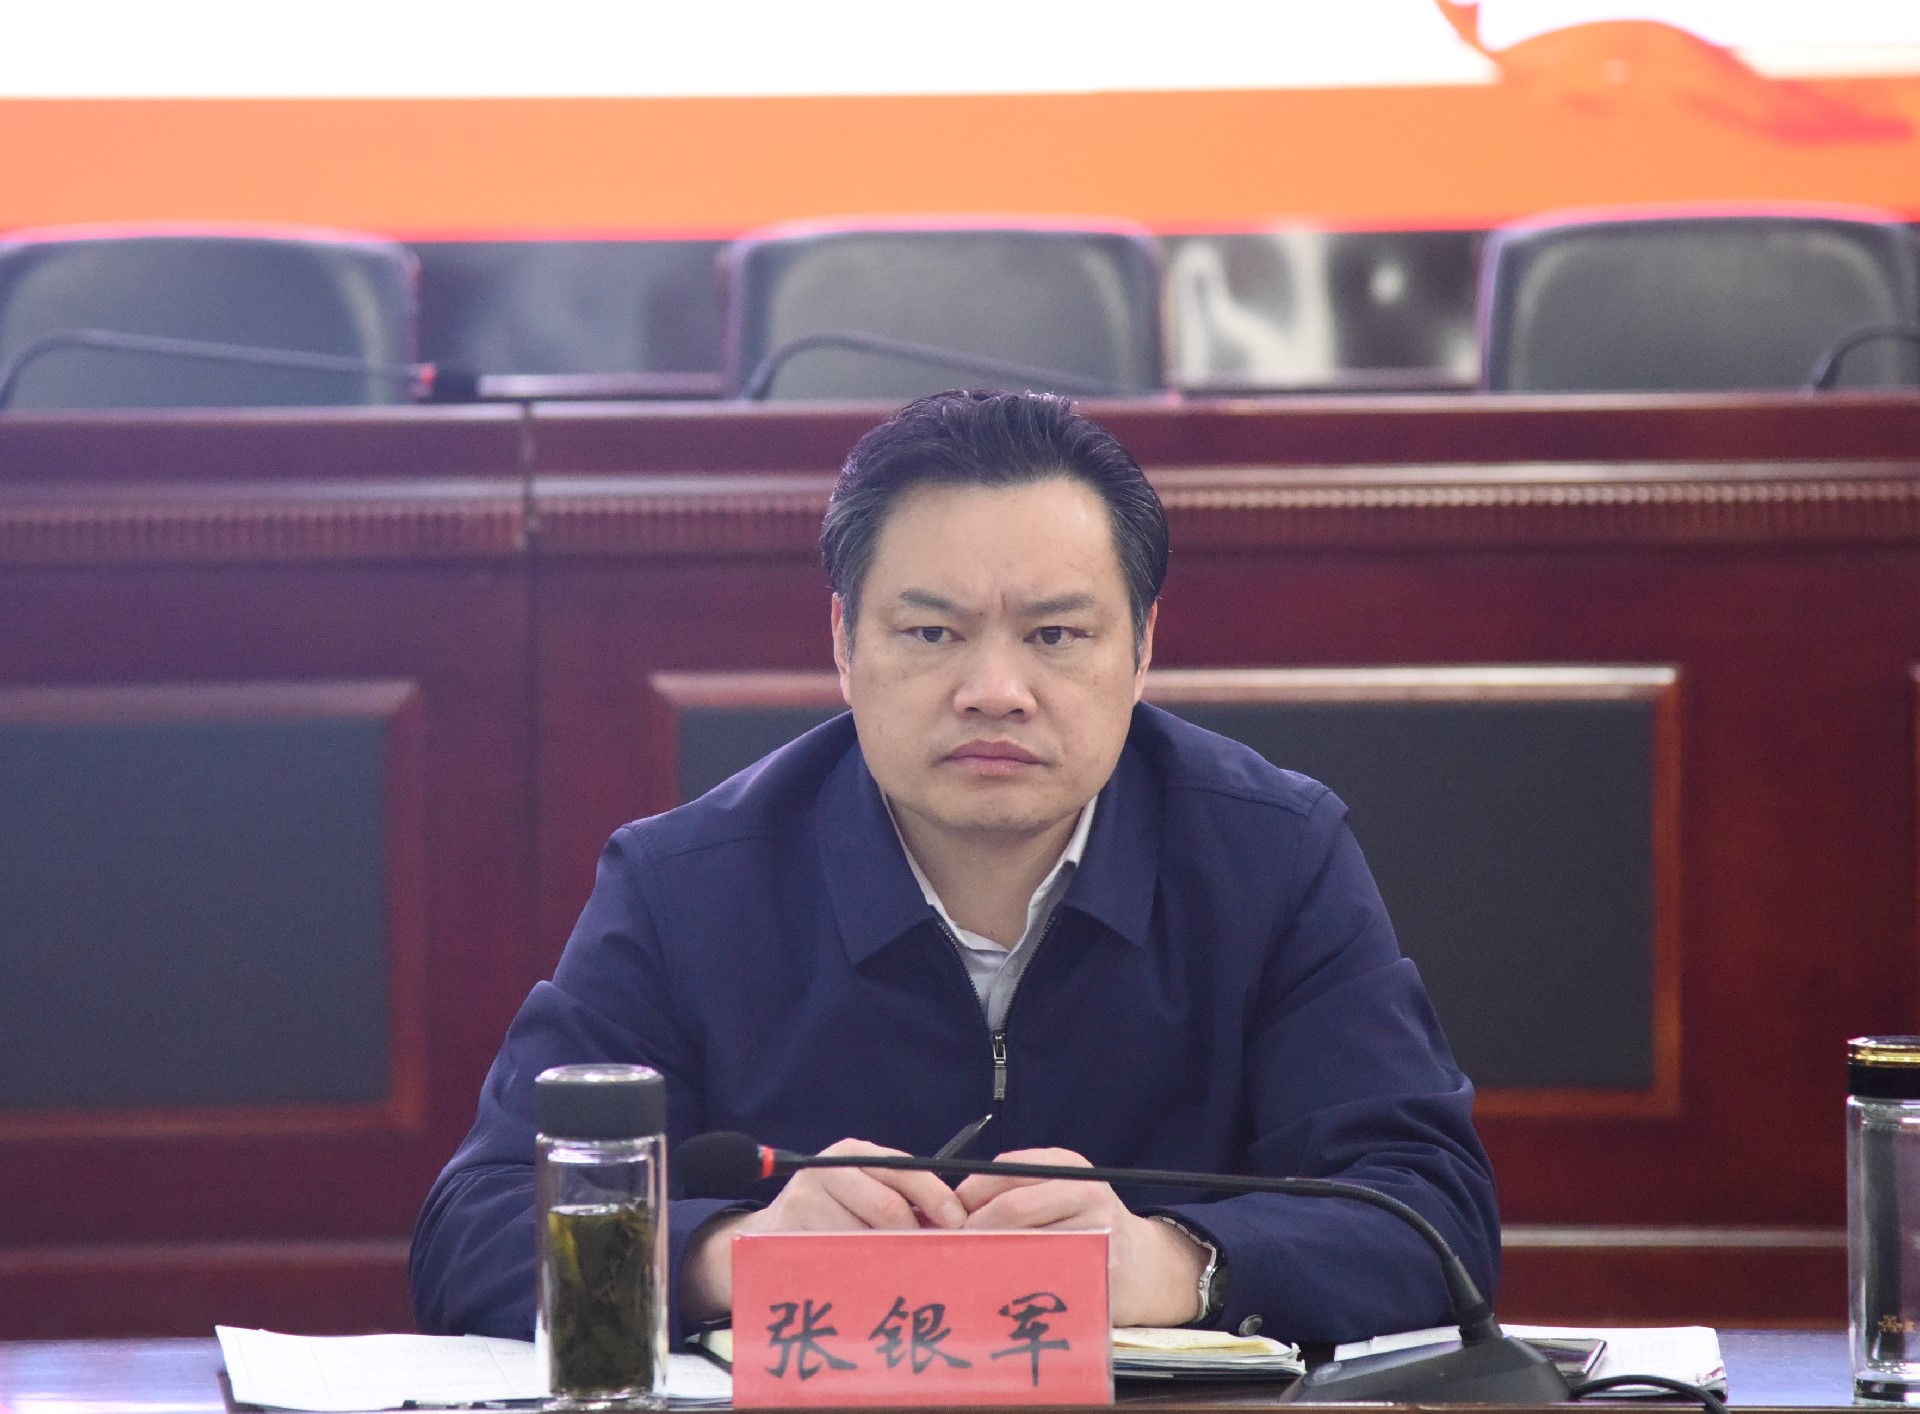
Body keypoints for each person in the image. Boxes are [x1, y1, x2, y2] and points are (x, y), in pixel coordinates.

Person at [410, 389, 1498, 1346]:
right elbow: (476, 1229)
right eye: (932, 635)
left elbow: (1432, 1215)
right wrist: (732, 1255)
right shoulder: (686, 884)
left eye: (1056, 635)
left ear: (1142, 648)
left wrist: (1177, 1264)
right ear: (844, 645)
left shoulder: (1272, 858)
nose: (995, 691)